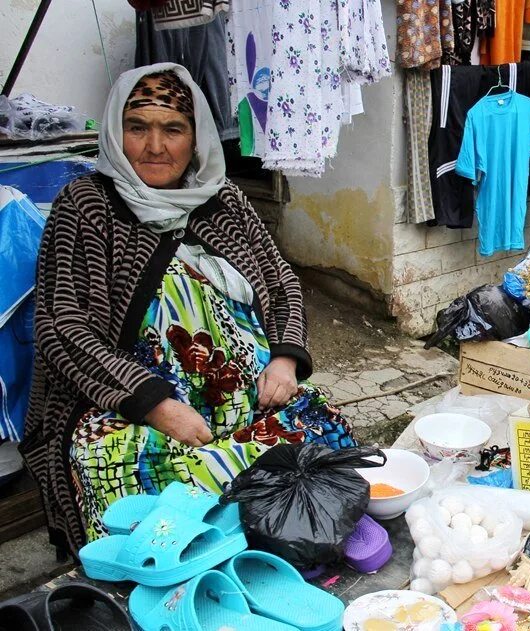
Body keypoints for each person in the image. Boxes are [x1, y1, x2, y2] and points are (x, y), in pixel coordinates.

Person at [20, 63, 356, 553]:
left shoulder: (225, 199)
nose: (155, 146)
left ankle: (275, 558)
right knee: (135, 487)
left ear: (195, 137)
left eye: (172, 129)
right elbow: (63, 326)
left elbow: (281, 280)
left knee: (321, 447)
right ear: (117, 131)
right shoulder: (87, 204)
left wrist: (285, 357)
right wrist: (155, 404)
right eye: (138, 128)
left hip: (248, 398)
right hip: (127, 405)